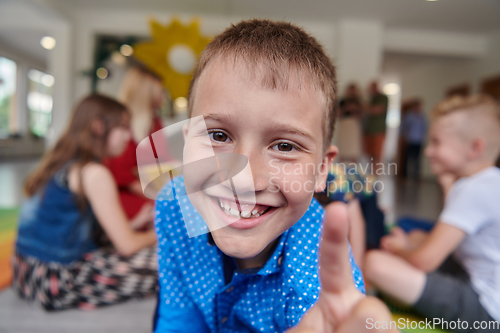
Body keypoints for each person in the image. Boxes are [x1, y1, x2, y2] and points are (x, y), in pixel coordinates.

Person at [153, 19, 395, 333]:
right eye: (219, 136)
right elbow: (178, 320)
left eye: (284, 145)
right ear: (187, 143)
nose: (244, 179)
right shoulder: (174, 204)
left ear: (323, 169)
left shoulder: (317, 283)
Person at [365, 94, 500, 332]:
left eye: (437, 143)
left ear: (475, 148)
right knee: (416, 235)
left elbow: (424, 260)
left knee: (375, 263)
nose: (428, 151)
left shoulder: (473, 189)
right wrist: (409, 244)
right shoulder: (488, 182)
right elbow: (449, 231)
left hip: (488, 313)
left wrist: (398, 248)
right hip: (472, 276)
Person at [13, 94, 158, 311]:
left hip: (27, 271)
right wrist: (162, 231)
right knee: (168, 259)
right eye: (123, 127)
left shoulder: (63, 163)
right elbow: (127, 246)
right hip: (57, 279)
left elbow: (74, 230)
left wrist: (136, 223)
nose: (128, 136)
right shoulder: (94, 172)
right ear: (99, 127)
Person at [104, 66, 174, 220]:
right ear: (146, 94)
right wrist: (159, 196)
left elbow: (164, 159)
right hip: (127, 194)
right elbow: (122, 175)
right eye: (160, 92)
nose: (163, 97)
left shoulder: (155, 122)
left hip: (151, 188)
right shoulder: (121, 126)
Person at [401, 100, 427, 180]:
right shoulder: (409, 116)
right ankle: (405, 176)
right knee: (408, 158)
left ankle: (416, 176)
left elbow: (425, 128)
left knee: (417, 159)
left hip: (419, 141)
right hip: (410, 140)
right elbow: (403, 127)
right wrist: (405, 137)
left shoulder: (422, 117)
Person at [364, 82, 388, 166]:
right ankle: (372, 174)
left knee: (377, 154)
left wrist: (366, 108)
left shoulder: (383, 98)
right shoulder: (371, 99)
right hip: (368, 131)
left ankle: (377, 175)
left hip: (378, 131)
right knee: (370, 155)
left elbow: (377, 110)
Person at [337, 84, 363, 162]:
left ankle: (354, 170)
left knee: (354, 148)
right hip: (344, 124)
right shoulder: (342, 101)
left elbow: (361, 116)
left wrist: (354, 110)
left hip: (353, 125)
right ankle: (341, 170)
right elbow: (338, 115)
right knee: (343, 148)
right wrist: (346, 108)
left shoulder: (358, 102)